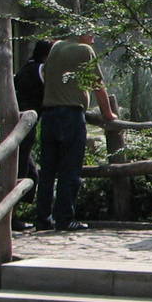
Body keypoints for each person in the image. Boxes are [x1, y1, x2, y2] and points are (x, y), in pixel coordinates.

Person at [35, 31, 114, 232]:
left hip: (49, 114)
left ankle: (42, 218)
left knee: (47, 170)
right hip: (70, 115)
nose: (94, 40)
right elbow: (97, 84)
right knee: (70, 169)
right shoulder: (84, 50)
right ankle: (65, 218)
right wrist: (108, 114)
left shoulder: (55, 48)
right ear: (81, 35)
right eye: (91, 35)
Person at [12, 39, 52, 226]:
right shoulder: (40, 70)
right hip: (24, 126)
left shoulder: (25, 68)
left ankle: (15, 214)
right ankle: (11, 217)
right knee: (19, 170)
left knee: (30, 172)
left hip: (21, 124)